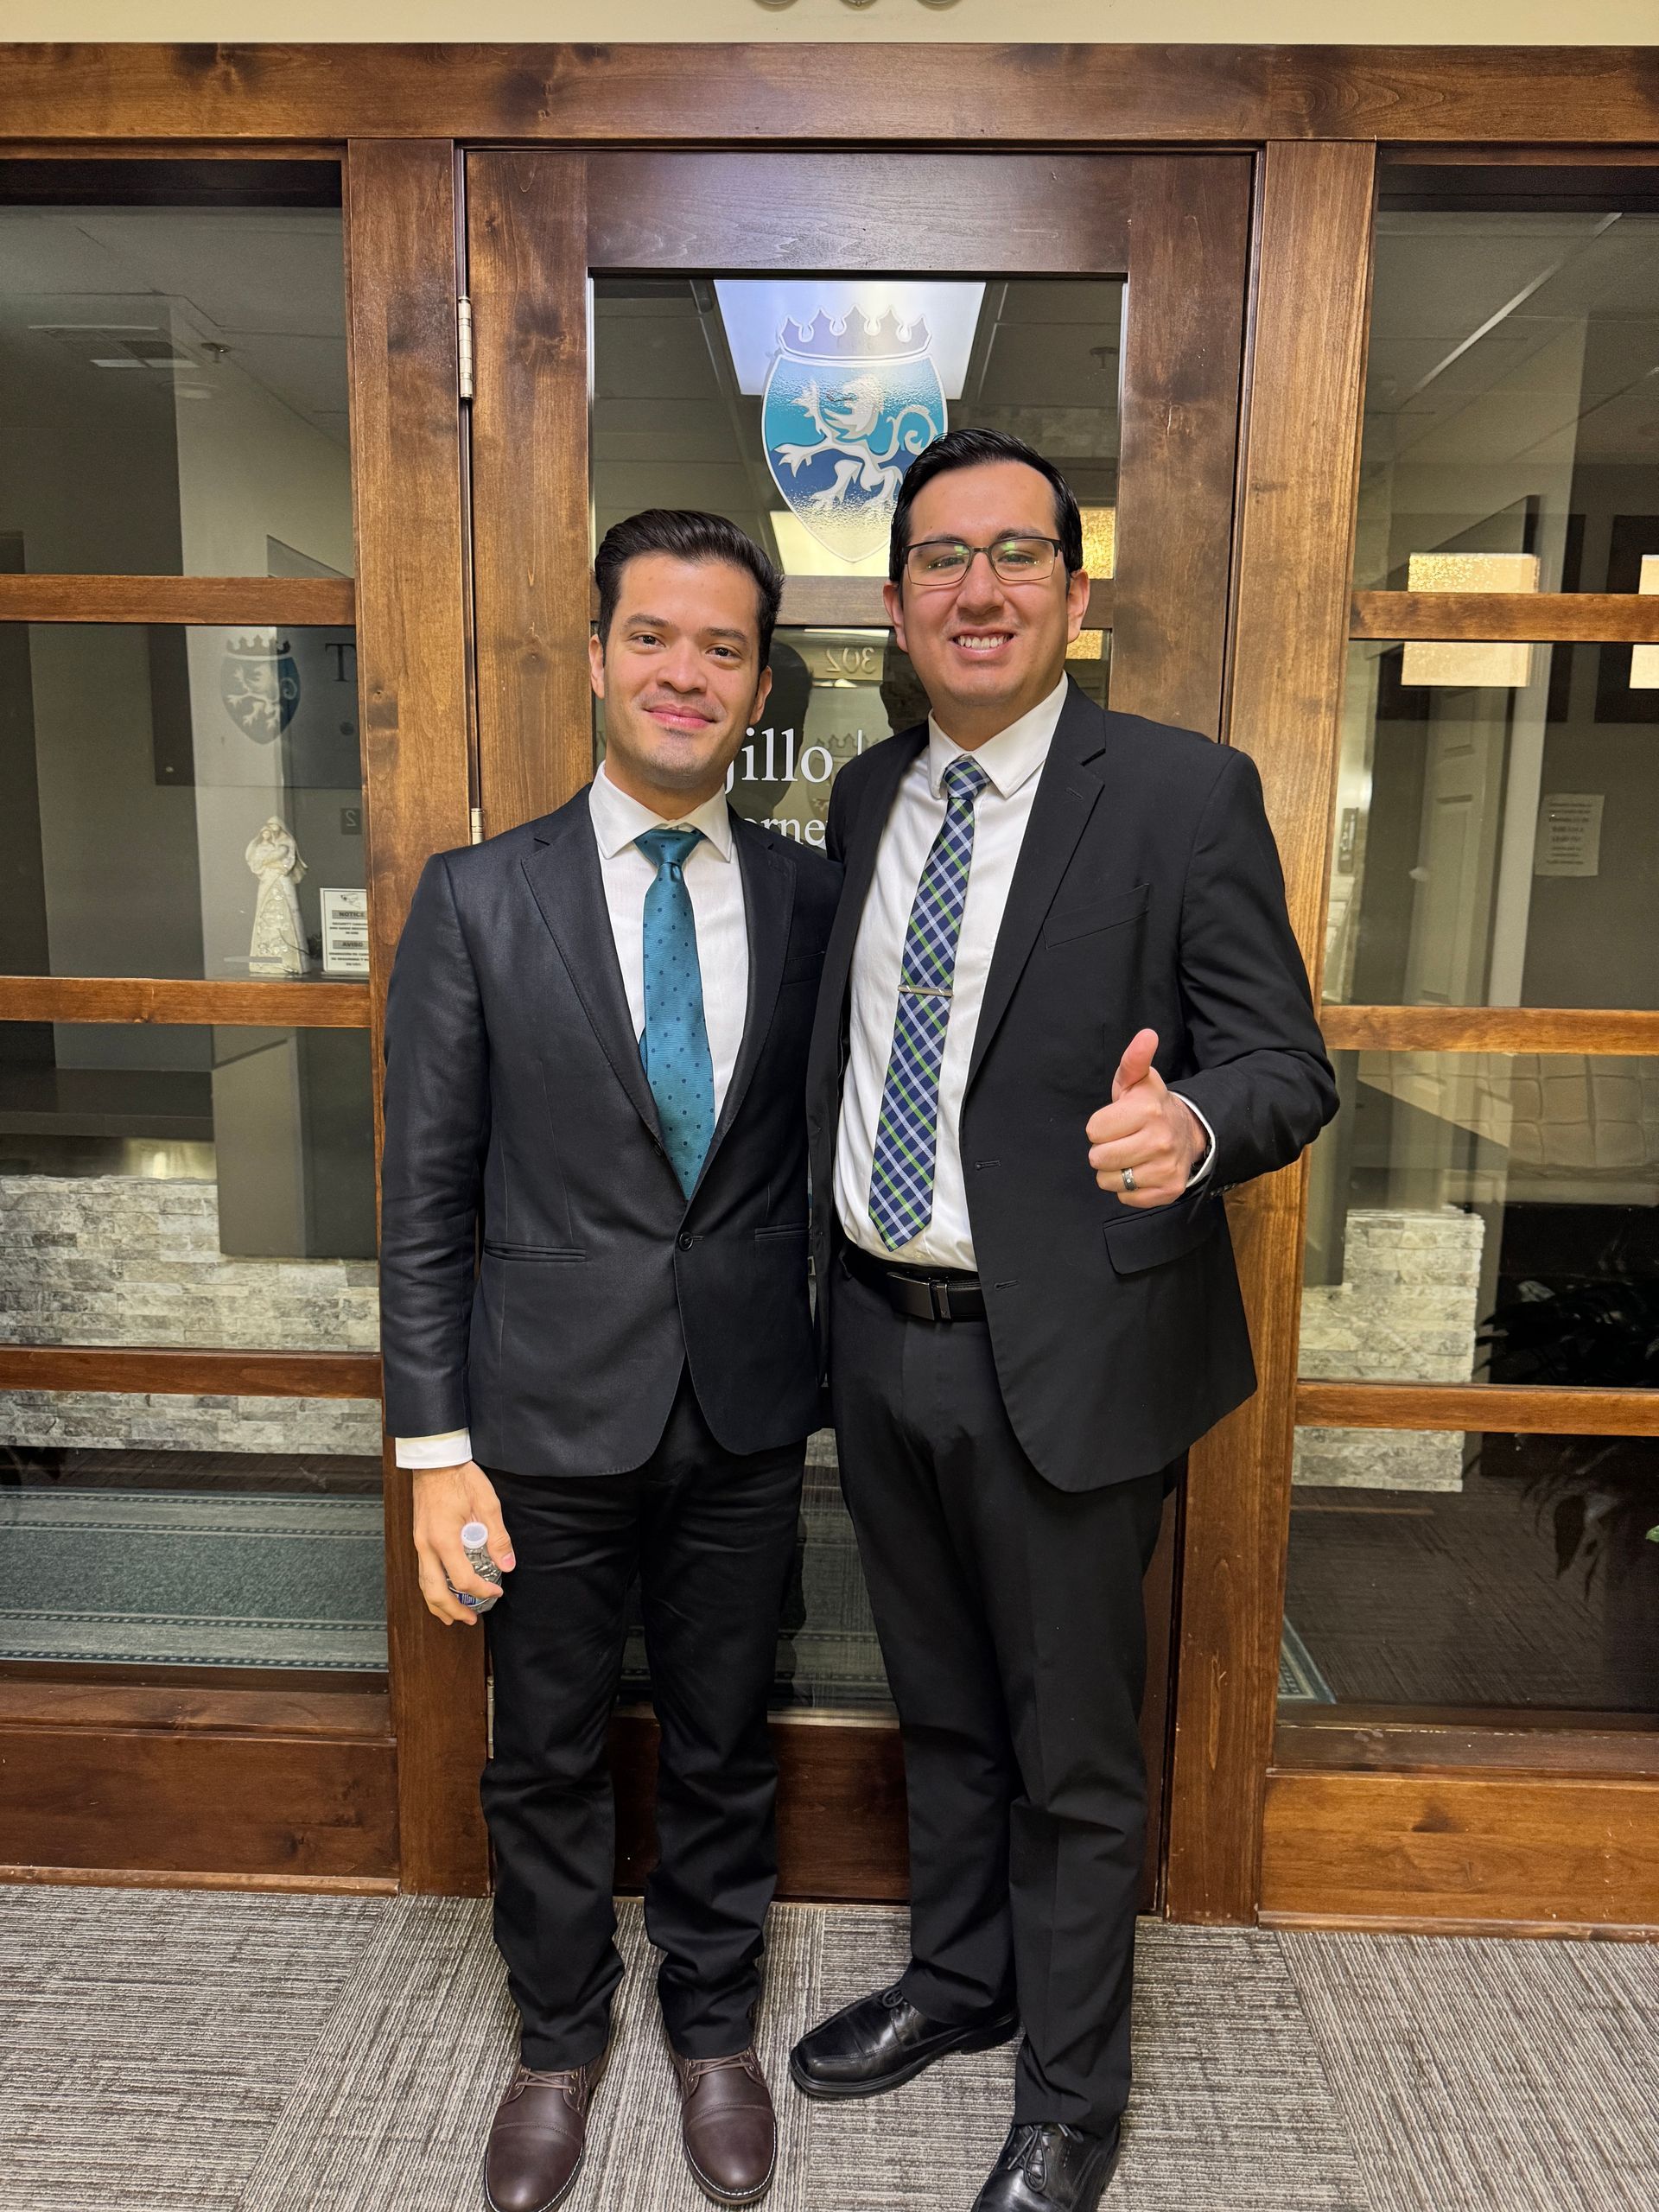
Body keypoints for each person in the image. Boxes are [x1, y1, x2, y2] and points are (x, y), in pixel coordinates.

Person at [791, 429, 1337, 2211]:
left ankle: (1073, 2089)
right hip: (880, 1334)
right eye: (942, 558)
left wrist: (1187, 1125)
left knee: (1079, 1750)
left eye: (1016, 552)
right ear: (893, 600)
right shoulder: (869, 798)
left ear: (1073, 591)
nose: (979, 588)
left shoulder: (1179, 793)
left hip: (1076, 1351)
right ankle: (961, 1977)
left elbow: (1284, 1064)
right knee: (940, 1705)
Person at [378, 510, 840, 2212]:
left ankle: (713, 2024)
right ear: (595, 654)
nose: (684, 672)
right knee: (546, 1748)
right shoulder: (480, 900)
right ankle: (557, 2038)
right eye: (654, 635)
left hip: (740, 1408)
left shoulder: (812, 895)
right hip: (539, 1415)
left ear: (759, 681)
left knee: (728, 1733)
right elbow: (425, 1198)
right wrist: (434, 1450)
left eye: (722, 649)